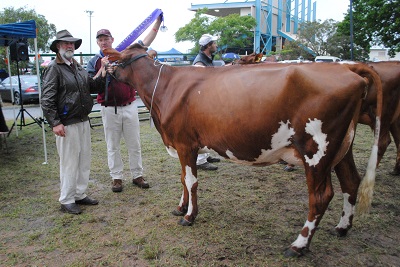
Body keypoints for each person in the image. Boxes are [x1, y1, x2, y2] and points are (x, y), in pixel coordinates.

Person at [87, 16, 162, 193]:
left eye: (106, 39)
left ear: (112, 40)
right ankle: (117, 178)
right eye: (100, 39)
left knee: (134, 143)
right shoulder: (94, 61)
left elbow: (145, 42)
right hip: (108, 108)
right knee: (112, 145)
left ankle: (137, 175)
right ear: (97, 43)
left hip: (129, 105)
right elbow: (90, 84)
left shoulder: (123, 52)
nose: (104, 42)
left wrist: (158, 22)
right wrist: (103, 69)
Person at [41, 30, 111, 215]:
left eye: (71, 43)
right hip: (67, 123)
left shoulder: (77, 67)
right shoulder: (54, 68)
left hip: (82, 120)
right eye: (65, 43)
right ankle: (66, 199)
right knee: (69, 162)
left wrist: (102, 71)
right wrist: (55, 122)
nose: (69, 46)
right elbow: (47, 98)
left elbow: (92, 86)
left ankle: (79, 193)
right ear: (58, 46)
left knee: (83, 160)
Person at [192, 34, 222, 171]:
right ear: (208, 45)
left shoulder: (207, 59)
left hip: (206, 99)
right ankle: (200, 161)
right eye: (214, 43)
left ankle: (206, 156)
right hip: (201, 101)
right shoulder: (199, 62)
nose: (216, 45)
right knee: (201, 129)